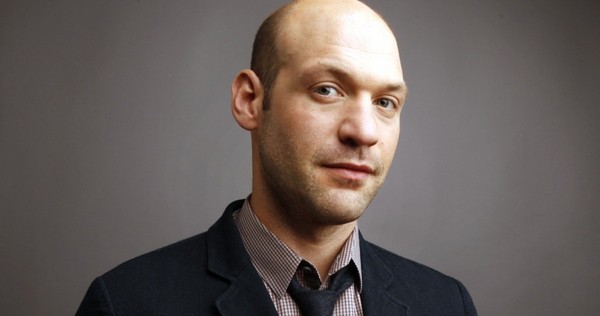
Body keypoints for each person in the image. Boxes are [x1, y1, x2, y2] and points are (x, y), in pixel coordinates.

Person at [76, 0, 477, 315]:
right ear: (250, 100)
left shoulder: (446, 303)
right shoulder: (126, 304)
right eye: (326, 90)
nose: (365, 131)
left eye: (386, 102)